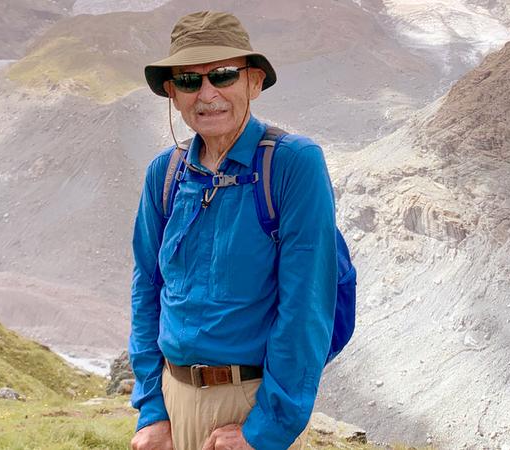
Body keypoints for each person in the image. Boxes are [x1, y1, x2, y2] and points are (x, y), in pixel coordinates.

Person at [129, 10, 337, 450]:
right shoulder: (163, 175)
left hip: (250, 406)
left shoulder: (292, 164)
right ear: (172, 92)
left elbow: (306, 307)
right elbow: (146, 291)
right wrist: (151, 412)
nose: (207, 94)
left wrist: (265, 432)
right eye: (188, 81)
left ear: (254, 82)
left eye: (223, 75)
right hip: (172, 402)